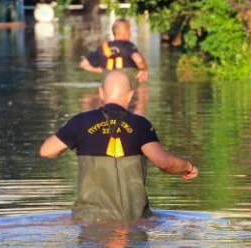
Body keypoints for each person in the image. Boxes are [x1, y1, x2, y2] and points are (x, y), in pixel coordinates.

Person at [39, 70, 198, 221]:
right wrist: (188, 166)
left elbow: (46, 151)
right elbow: (164, 163)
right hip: (133, 220)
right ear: (130, 95)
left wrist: (76, 137)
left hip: (89, 221)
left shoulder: (80, 122)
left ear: (101, 92)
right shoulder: (140, 124)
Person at [79, 18, 149, 83]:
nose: (130, 33)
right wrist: (144, 70)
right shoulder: (128, 46)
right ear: (125, 31)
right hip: (126, 84)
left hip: (109, 83)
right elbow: (138, 59)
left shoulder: (103, 47)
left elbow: (83, 65)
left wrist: (103, 71)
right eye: (129, 30)